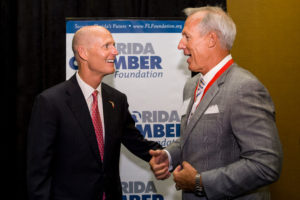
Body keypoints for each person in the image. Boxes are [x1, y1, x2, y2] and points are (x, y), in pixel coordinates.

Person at [149, 6, 282, 200]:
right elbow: (196, 137)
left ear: (211, 39)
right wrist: (168, 157)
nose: (180, 45)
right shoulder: (192, 85)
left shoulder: (244, 88)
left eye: (187, 37)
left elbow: (266, 164)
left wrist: (200, 182)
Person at [27, 25, 162, 200]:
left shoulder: (117, 100)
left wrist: (170, 157)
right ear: (83, 53)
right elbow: (38, 171)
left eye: (114, 45)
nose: (115, 52)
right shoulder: (51, 102)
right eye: (107, 46)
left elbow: (137, 143)